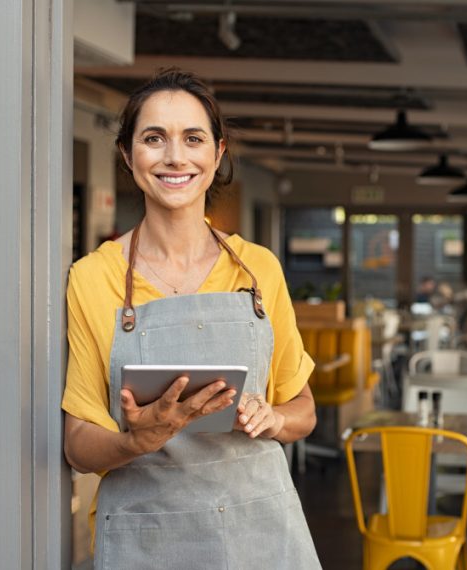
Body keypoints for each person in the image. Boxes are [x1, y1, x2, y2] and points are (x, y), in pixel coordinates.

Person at [61, 69, 320, 568]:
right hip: (149, 537)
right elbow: (77, 445)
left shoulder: (258, 268)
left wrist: (275, 417)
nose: (175, 156)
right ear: (127, 154)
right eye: (154, 138)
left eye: (193, 138)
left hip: (259, 530)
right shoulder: (93, 278)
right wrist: (137, 439)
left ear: (217, 154)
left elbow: (303, 408)